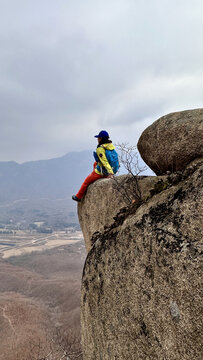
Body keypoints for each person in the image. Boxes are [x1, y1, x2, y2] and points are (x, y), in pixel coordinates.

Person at [72, 130, 119, 202]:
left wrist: (110, 173)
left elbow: (104, 162)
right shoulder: (110, 146)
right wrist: (113, 171)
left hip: (103, 172)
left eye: (99, 138)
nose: (97, 139)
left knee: (86, 182)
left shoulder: (100, 148)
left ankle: (78, 197)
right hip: (114, 169)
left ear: (101, 139)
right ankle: (100, 173)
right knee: (95, 163)